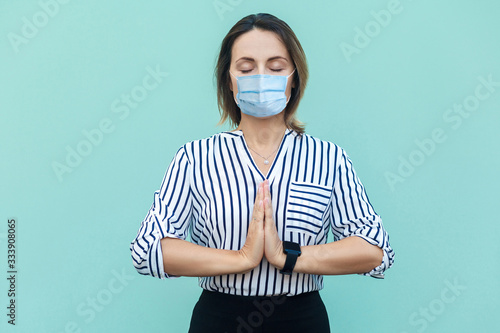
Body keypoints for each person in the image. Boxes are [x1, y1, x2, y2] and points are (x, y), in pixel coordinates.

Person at [130, 13, 395, 333]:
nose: (261, 76)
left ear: (294, 77)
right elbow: (149, 249)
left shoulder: (329, 158)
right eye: (246, 68)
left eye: (276, 66)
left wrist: (288, 256)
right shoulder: (195, 158)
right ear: (228, 79)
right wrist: (242, 258)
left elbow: (374, 249)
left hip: (302, 320)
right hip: (219, 319)